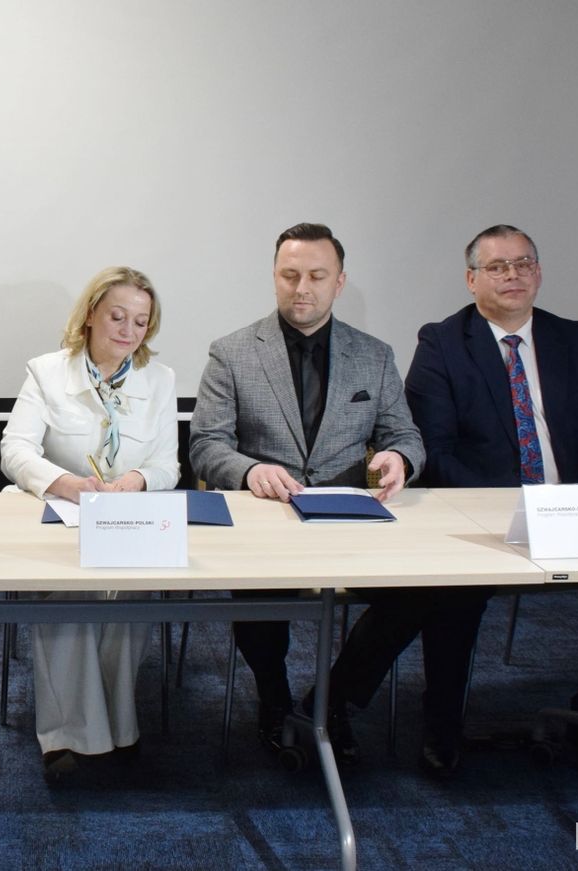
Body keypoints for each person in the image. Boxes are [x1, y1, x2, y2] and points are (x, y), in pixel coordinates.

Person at [404, 224, 578, 773]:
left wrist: (577, 507)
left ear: (538, 273)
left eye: (523, 264)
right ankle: (442, 725)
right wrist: (509, 509)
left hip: (573, 512)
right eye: (497, 266)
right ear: (471, 279)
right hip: (486, 518)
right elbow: (435, 452)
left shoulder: (576, 339)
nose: (512, 275)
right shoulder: (442, 343)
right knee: (450, 592)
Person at [188, 222, 424, 761]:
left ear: (339, 282)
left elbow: (404, 435)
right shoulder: (232, 352)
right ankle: (273, 700)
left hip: (349, 518)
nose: (302, 288)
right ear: (274, 277)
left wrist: (399, 458)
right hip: (264, 520)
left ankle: (331, 701)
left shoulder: (374, 355)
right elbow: (205, 444)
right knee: (257, 594)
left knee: (418, 593)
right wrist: (248, 470)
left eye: (317, 276)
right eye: (290, 275)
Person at [0, 266, 178, 780]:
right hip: (62, 517)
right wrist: (66, 484)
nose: (128, 331)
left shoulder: (160, 380)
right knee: (71, 594)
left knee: (129, 591)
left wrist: (136, 481)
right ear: (91, 315)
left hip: (128, 519)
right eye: (118, 316)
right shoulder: (46, 372)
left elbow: (168, 465)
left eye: (140, 322)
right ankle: (68, 737)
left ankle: (118, 724)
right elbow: (15, 450)